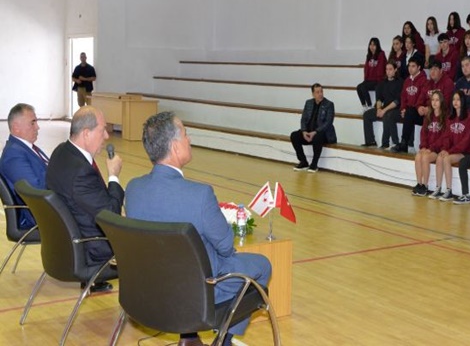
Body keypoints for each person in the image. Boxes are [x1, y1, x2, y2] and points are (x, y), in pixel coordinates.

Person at [126, 112, 272, 346]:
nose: (189, 139)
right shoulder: (199, 195)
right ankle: (224, 339)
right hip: (198, 293)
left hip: (149, 290)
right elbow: (225, 246)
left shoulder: (133, 189)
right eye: (185, 133)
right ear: (174, 147)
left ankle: (191, 337)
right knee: (262, 266)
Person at [46, 106, 123, 291]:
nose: (106, 136)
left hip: (67, 244)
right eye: (102, 130)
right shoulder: (81, 172)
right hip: (93, 251)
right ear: (86, 133)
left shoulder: (61, 152)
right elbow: (111, 214)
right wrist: (113, 176)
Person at [0, 103, 49, 229]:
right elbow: (35, 191)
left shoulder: (26, 148)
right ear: (16, 128)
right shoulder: (14, 155)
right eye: (32, 123)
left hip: (48, 208)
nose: (37, 127)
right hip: (38, 217)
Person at [430, 91, 470, 202]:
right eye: (454, 99)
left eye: (458, 99)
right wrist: (445, 149)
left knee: (447, 159)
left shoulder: (469, 117)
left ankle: (449, 190)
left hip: (465, 152)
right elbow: (446, 136)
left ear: (462, 101)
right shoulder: (450, 117)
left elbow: (466, 141)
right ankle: (438, 188)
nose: (455, 102)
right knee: (440, 157)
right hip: (452, 150)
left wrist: (450, 151)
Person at [291, 83, 337, 172]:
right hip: (309, 133)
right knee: (294, 135)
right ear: (313, 94)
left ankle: (314, 164)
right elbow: (303, 119)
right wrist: (304, 131)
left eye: (321, 91)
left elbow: (328, 123)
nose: (320, 94)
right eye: (317, 92)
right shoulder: (308, 103)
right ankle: (303, 161)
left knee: (318, 136)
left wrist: (315, 132)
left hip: (324, 134)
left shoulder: (329, 104)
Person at [412, 91, 446, 196]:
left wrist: (431, 148)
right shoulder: (428, 117)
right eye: (433, 100)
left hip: (437, 149)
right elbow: (424, 133)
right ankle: (419, 184)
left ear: (441, 102)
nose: (434, 102)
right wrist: (423, 146)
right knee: (418, 156)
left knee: (425, 158)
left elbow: (443, 137)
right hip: (428, 148)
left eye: (437, 100)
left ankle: (425, 186)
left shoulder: (445, 117)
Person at [362, 62, 402, 149]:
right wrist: (379, 109)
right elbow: (379, 99)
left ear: (395, 70)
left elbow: (397, 101)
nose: (388, 72)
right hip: (384, 108)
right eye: (386, 69)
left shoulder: (400, 82)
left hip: (395, 109)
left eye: (390, 69)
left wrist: (384, 110)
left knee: (387, 115)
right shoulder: (383, 83)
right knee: (366, 115)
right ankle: (371, 141)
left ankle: (387, 143)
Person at [393, 55, 427, 153]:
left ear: (419, 67)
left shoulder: (424, 80)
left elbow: (422, 99)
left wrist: (408, 110)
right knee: (391, 115)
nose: (410, 69)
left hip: (419, 112)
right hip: (409, 111)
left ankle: (404, 143)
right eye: (409, 66)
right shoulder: (407, 80)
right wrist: (403, 108)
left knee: (410, 113)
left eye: (413, 66)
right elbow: (403, 96)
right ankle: (396, 142)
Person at [356, 37, 387, 110]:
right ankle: (364, 106)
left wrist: (380, 82)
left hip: (377, 81)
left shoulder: (381, 54)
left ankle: (369, 106)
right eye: (370, 44)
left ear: (377, 46)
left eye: (374, 45)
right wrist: (365, 80)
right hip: (369, 80)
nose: (372, 47)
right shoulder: (368, 55)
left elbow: (381, 69)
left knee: (363, 87)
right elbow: (366, 69)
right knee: (359, 87)